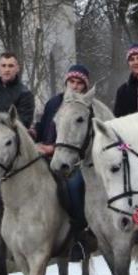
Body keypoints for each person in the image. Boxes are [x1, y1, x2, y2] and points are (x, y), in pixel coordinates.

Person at [34, 64, 96, 259]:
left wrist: (54, 148)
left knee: (74, 185)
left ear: (85, 87)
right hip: (46, 155)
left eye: (79, 83)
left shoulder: (86, 107)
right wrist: (32, 134)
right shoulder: (53, 103)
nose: (75, 86)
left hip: (73, 160)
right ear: (66, 82)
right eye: (72, 81)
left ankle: (80, 234)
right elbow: (42, 125)